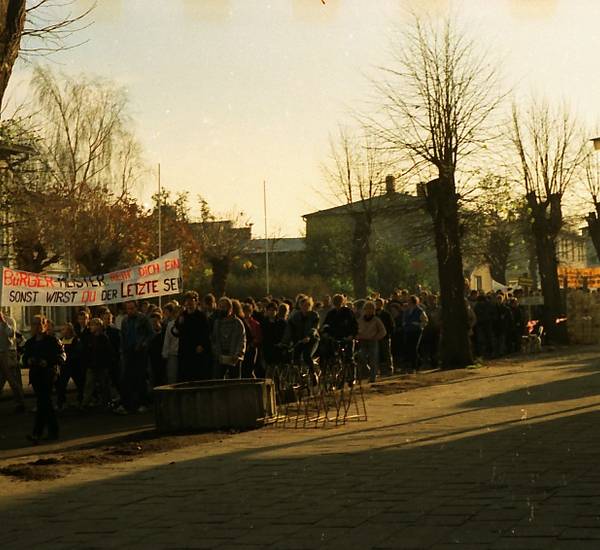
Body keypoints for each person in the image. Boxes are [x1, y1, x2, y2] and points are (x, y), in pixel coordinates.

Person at [23, 315, 65, 444]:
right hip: (36, 376)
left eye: (39, 323)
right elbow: (24, 358)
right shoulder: (30, 342)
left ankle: (39, 433)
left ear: (45, 325)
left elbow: (61, 357)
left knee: (44, 402)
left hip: (48, 375)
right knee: (43, 404)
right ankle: (46, 432)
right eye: (34, 324)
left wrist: (47, 362)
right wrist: (28, 360)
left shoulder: (52, 341)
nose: (36, 327)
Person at [115, 301, 153, 415]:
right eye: (128, 309)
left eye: (132, 308)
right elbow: (123, 336)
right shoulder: (125, 321)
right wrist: (122, 350)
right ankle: (127, 404)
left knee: (140, 377)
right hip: (128, 351)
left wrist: (144, 344)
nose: (130, 311)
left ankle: (143, 403)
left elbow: (151, 334)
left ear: (136, 308)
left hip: (140, 351)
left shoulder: (143, 319)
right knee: (126, 378)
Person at [172, 291, 212, 381]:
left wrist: (202, 345)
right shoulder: (182, 315)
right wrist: (178, 324)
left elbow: (206, 333)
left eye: (191, 301)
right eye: (187, 301)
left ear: (196, 302)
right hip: (184, 350)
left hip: (197, 350)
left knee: (196, 376)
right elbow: (176, 331)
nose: (189, 303)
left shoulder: (201, 316)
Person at [282, 296, 320, 377]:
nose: (305, 308)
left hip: (311, 340)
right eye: (303, 305)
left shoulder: (314, 315)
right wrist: (285, 342)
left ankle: (313, 373)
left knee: (306, 355)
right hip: (300, 340)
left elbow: (314, 328)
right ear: (300, 306)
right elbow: (289, 329)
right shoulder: (295, 316)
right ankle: (298, 377)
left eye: (307, 305)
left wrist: (309, 336)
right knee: (295, 357)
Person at [82, 318, 114, 408]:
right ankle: (85, 403)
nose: (90, 327)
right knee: (89, 385)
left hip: (101, 366)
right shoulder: (90, 337)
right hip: (91, 365)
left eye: (92, 325)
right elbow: (87, 351)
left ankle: (106, 402)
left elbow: (108, 352)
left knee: (104, 385)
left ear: (98, 326)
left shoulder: (104, 338)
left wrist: (106, 364)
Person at [212, 297, 246, 379]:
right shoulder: (217, 323)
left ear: (230, 308)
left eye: (224, 307)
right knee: (217, 380)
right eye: (220, 307)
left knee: (234, 382)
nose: (221, 309)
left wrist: (238, 354)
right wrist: (216, 353)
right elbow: (214, 339)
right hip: (220, 357)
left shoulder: (238, 323)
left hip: (234, 357)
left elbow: (242, 340)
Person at [0, 309, 25, 412]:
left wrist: (3, 322)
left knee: (13, 380)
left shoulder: (10, 321)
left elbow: (11, 334)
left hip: (7, 353)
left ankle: (20, 402)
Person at [356, 301, 387, 383]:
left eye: (371, 309)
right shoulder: (360, 320)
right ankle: (367, 372)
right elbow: (356, 329)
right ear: (364, 310)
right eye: (367, 309)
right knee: (361, 357)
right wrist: (357, 336)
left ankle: (372, 377)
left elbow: (383, 331)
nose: (369, 310)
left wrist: (376, 337)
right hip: (362, 341)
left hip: (372, 342)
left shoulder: (376, 320)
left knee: (373, 360)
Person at [55, 323, 79, 410]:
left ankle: (82, 400)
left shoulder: (75, 340)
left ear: (69, 330)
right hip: (65, 367)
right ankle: (61, 403)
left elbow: (76, 353)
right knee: (61, 385)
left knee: (80, 383)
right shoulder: (61, 340)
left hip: (74, 366)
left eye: (63, 329)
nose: (62, 331)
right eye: (61, 329)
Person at [402, 295, 428, 372]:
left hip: (416, 331)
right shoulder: (407, 311)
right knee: (408, 347)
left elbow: (425, 321)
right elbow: (404, 319)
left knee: (414, 347)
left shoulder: (420, 311)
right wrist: (404, 323)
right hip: (408, 330)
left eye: (409, 301)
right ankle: (418, 362)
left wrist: (418, 324)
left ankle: (414, 366)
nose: (408, 302)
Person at [161, 302, 180, 384]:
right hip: (173, 354)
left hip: (183, 353)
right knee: (172, 377)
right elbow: (167, 340)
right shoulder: (170, 324)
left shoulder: (185, 323)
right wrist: (165, 353)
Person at [375, 298, 394, 376]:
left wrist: (388, 334)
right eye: (376, 303)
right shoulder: (373, 315)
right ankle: (378, 370)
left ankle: (389, 368)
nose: (377, 305)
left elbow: (391, 325)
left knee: (386, 353)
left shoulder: (386, 314)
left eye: (379, 303)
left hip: (385, 337)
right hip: (375, 337)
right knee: (377, 353)